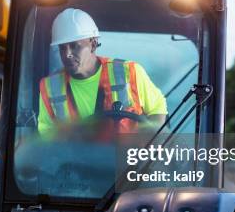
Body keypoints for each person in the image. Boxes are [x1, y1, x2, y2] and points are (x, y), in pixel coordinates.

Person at [38, 8, 167, 135]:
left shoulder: (130, 72)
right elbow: (46, 136)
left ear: (93, 44)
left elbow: (157, 109)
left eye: (74, 46)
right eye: (62, 48)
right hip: (74, 156)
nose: (68, 54)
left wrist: (149, 142)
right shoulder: (50, 87)